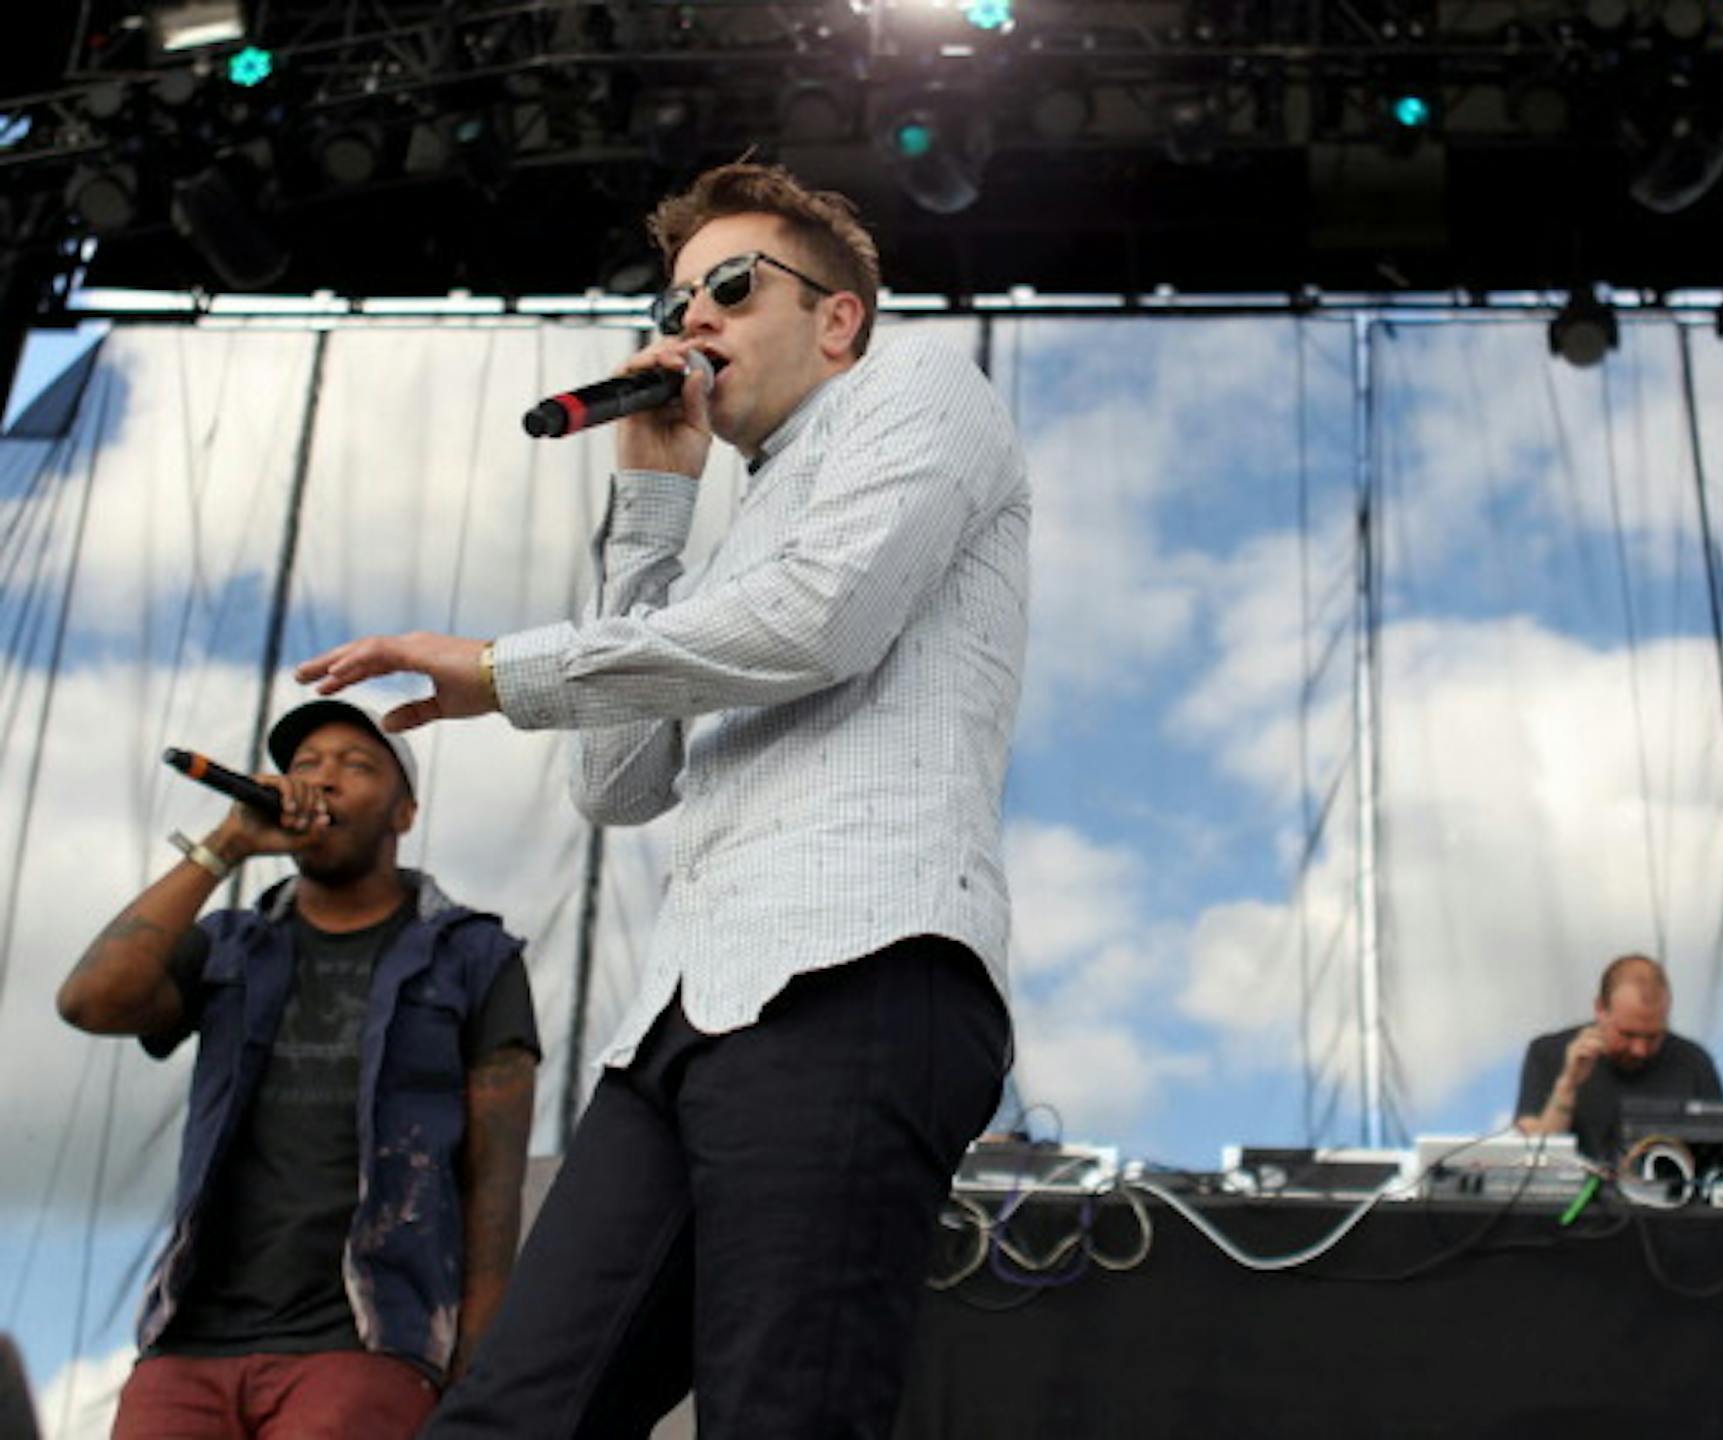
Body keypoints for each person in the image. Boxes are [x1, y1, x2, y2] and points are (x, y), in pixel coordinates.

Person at [292, 161, 1028, 1437]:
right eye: (677, 297)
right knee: (514, 1414)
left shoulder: (921, 393)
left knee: (779, 1410)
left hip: (855, 972)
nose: (692, 321)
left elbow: (821, 623)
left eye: (732, 288)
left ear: (840, 318)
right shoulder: (736, 529)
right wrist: (652, 513)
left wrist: (503, 668)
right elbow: (620, 781)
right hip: (685, 1015)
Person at [56, 700, 540, 1439]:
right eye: (306, 766)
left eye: (356, 766)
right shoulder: (229, 944)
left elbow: (495, 1180)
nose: (324, 781)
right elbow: (91, 1000)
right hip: (187, 1346)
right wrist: (226, 844)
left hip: (366, 1346)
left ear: (404, 814)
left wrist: (476, 1367)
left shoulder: (474, 957)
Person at [1515, 953, 1723, 1161]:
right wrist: (1567, 1085)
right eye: (1627, 1034)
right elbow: (1533, 1162)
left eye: (1653, 1037)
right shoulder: (1547, 1054)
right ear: (1600, 1010)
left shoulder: (1693, 1062)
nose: (1639, 1049)